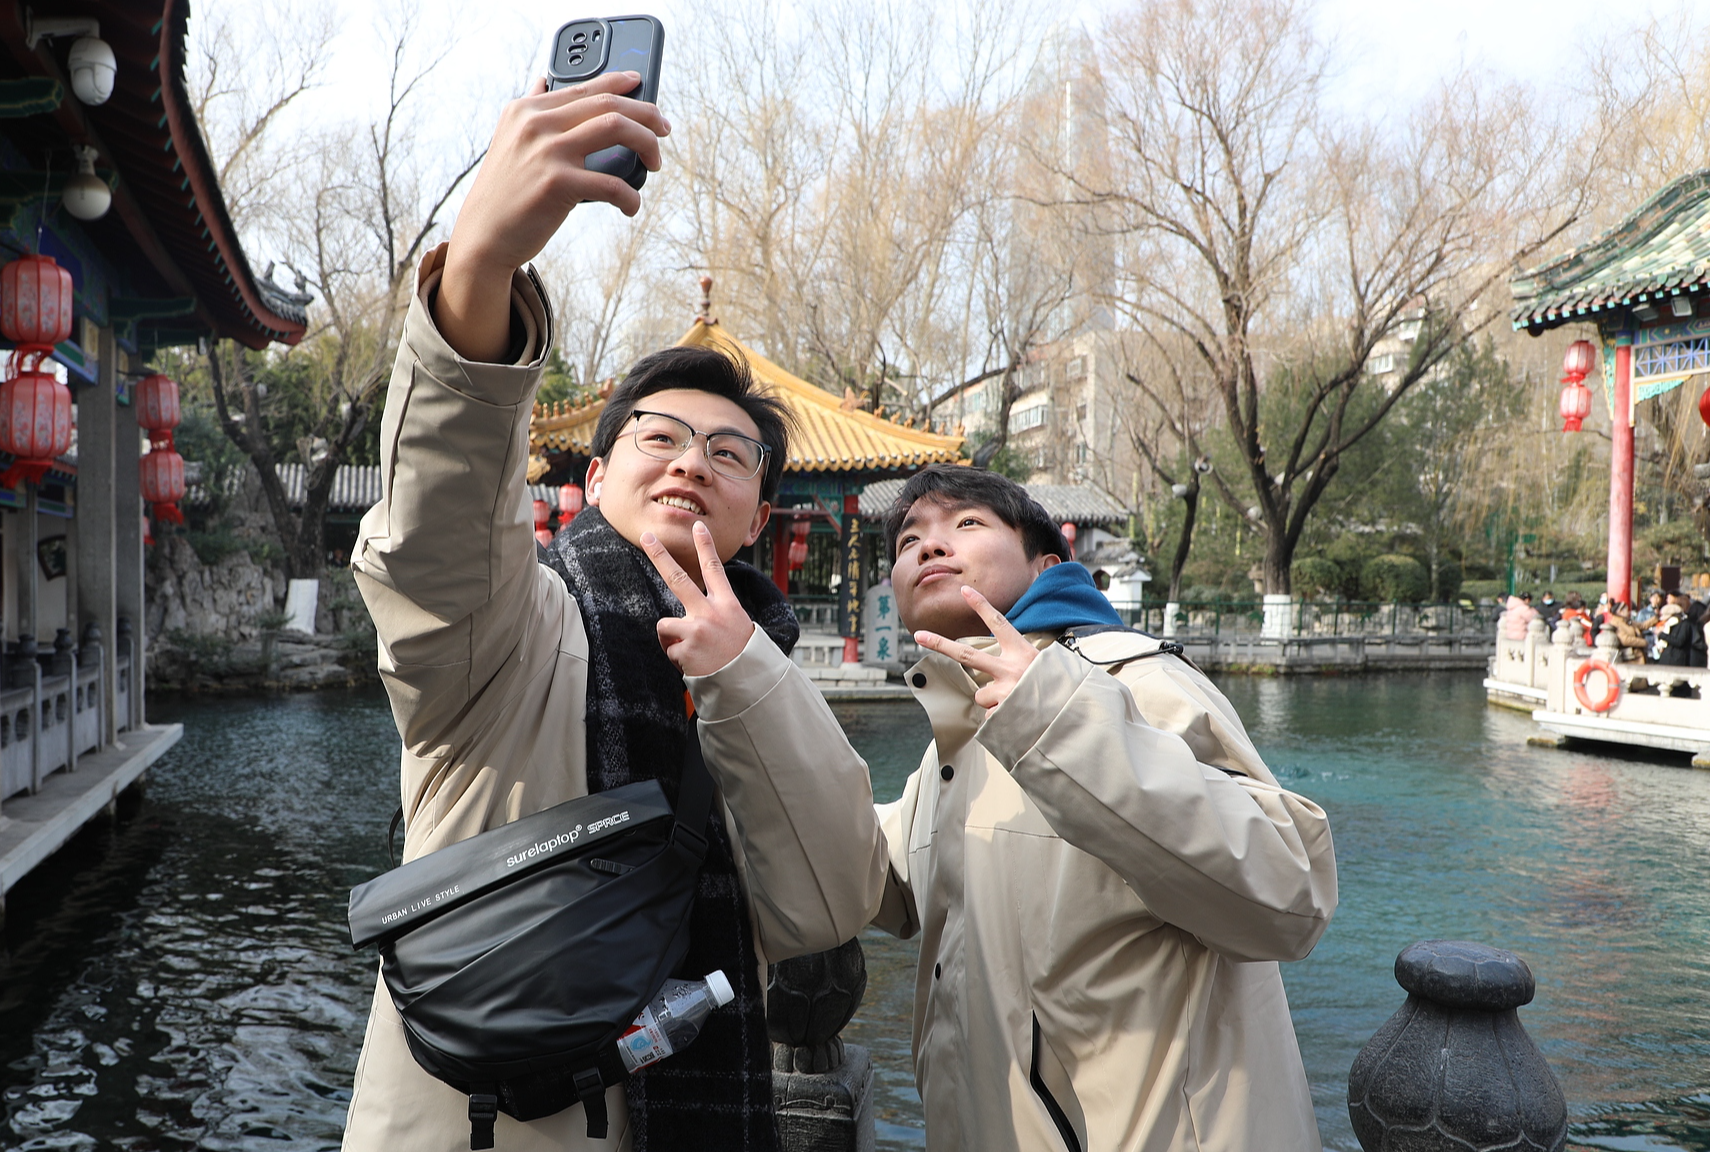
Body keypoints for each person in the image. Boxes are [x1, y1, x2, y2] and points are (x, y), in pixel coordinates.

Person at [341, 69, 884, 1152]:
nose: (692, 462)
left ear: (757, 515)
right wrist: (481, 273)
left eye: (727, 455)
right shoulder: (511, 628)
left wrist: (744, 676)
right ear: (590, 481)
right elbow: (437, 534)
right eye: (658, 439)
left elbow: (828, 901)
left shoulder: (762, 677)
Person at [870, 464, 1337, 1152]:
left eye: (966, 525)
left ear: (1047, 563)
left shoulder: (1133, 676)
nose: (930, 547)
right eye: (910, 540)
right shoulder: (961, 732)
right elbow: (880, 872)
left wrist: (1059, 724)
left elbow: (1291, 892)